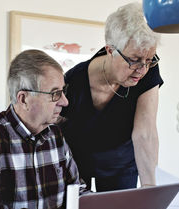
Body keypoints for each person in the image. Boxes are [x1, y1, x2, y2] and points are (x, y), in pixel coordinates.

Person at [0, 49, 83, 209]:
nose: (65, 101)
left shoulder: (56, 135)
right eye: (55, 94)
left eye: (63, 91)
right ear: (24, 99)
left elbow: (76, 193)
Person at [60, 2, 163, 192]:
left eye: (149, 60)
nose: (142, 70)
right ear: (110, 50)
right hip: (77, 161)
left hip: (121, 164)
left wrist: (150, 189)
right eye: (134, 60)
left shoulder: (148, 72)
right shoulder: (73, 81)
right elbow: (55, 134)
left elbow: (145, 133)